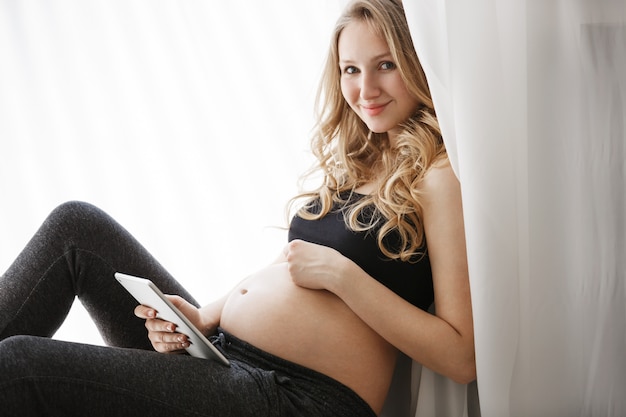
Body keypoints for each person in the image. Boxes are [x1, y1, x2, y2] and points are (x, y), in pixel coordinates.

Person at [0, 0, 474, 415]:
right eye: (351, 69)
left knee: (18, 368)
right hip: (224, 357)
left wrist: (342, 277)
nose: (365, 88)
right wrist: (203, 316)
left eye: (385, 64)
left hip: (295, 397)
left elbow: (461, 355)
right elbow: (290, 267)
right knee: (76, 229)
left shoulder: (436, 176)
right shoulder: (359, 165)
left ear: (417, 65)